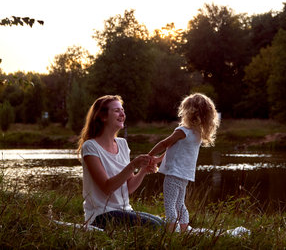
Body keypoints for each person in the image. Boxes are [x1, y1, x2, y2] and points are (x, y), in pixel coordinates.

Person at [78, 95, 163, 230]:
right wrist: (133, 165)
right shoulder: (90, 147)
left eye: (122, 110)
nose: (122, 114)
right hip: (101, 215)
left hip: (125, 210)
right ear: (103, 116)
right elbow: (107, 188)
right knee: (155, 227)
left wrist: (143, 171)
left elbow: (128, 188)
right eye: (117, 110)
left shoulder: (122, 144)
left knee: (162, 223)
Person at [148, 93, 220, 232]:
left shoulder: (182, 131)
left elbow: (165, 143)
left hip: (173, 173)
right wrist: (158, 159)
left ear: (188, 112)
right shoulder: (197, 134)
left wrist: (149, 155)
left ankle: (171, 233)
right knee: (180, 204)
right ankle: (183, 230)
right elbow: (173, 148)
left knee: (169, 204)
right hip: (184, 175)